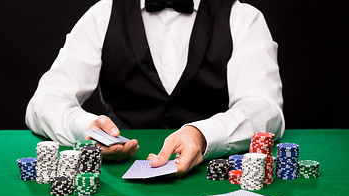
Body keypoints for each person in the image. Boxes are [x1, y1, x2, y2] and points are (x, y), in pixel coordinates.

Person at [26, 0, 285, 177]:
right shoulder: (102, 14)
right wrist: (85, 128)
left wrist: (203, 134)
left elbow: (265, 107)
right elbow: (43, 102)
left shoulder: (243, 17)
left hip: (213, 181)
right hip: (121, 181)